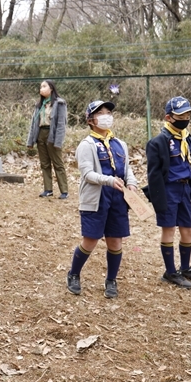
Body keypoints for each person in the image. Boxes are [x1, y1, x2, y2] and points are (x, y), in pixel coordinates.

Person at [66, 100, 138, 299]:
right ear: (91, 120)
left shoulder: (120, 144)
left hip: (118, 197)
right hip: (96, 197)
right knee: (91, 240)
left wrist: (131, 183)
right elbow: (87, 174)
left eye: (109, 112)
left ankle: (111, 280)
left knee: (115, 241)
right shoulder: (87, 145)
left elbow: (127, 169)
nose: (106, 116)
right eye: (101, 113)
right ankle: (73, 274)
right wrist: (108, 181)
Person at [145, 96, 191, 289]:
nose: (186, 117)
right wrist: (158, 201)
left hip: (184, 189)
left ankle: (185, 268)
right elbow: (154, 176)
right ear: (169, 117)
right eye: (181, 114)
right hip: (168, 190)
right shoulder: (158, 142)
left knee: (188, 230)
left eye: (188, 114)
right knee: (168, 229)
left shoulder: (187, 138)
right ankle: (170, 272)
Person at [26, 80, 69, 199]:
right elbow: (33, 123)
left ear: (51, 88)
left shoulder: (59, 104)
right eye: (40, 87)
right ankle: (48, 189)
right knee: (44, 164)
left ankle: (64, 191)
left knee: (58, 163)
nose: (41, 89)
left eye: (44, 86)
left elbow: (61, 124)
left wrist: (58, 141)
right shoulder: (39, 105)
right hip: (41, 134)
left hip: (52, 134)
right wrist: (30, 141)